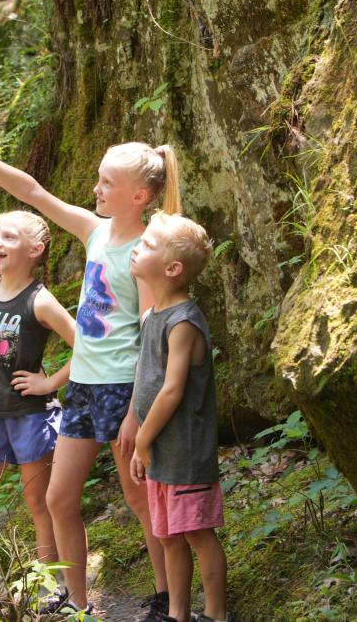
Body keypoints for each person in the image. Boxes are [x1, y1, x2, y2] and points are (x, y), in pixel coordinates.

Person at [0, 121, 180, 619]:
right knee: (59, 497)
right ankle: (74, 599)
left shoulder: (147, 250)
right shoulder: (94, 231)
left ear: (140, 195)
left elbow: (153, 335)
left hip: (123, 388)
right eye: (99, 180)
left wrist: (136, 410)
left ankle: (165, 595)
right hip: (83, 387)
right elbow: (31, 190)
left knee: (138, 498)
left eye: (107, 183)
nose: (96, 189)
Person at [0, 211, 76, 586]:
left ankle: (50, 588)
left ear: (35, 250)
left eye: (9, 237)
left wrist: (49, 383)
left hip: (31, 415)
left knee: (39, 505)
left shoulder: (39, 301)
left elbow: (86, 345)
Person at [129, 212, 229, 622]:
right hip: (160, 452)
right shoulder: (153, 315)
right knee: (168, 535)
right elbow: (145, 378)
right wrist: (142, 437)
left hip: (184, 454)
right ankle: (177, 614)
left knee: (197, 534)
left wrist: (141, 438)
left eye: (149, 245)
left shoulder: (183, 322)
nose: (138, 247)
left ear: (172, 269)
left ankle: (217, 614)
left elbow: (171, 390)